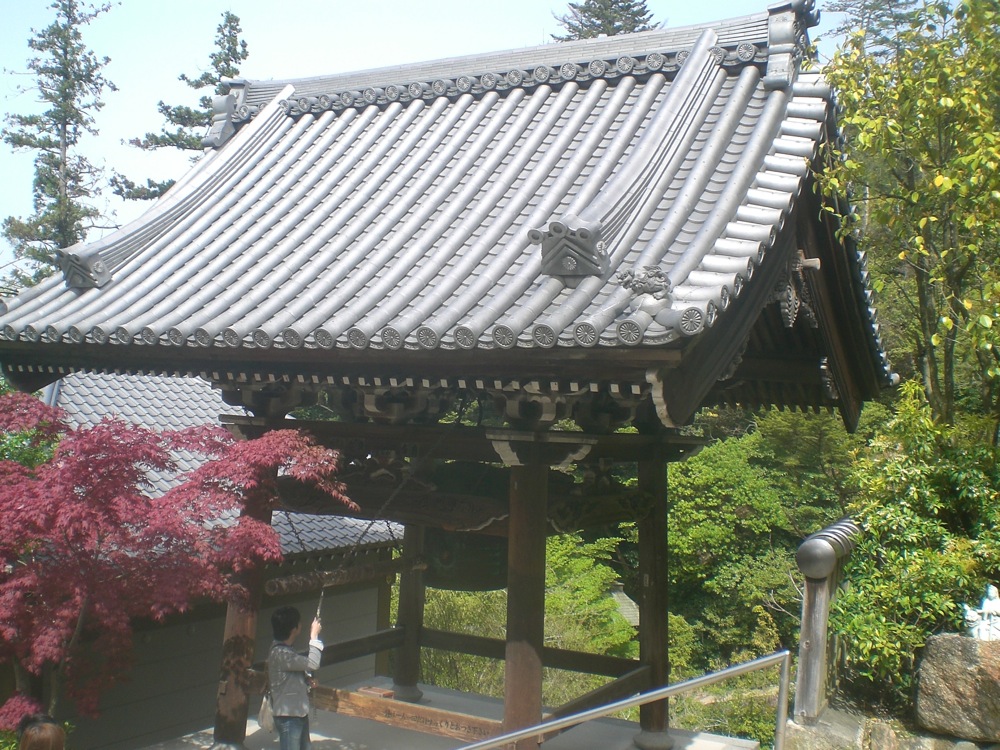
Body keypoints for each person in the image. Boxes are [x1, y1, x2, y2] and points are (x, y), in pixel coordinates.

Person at [268, 606, 323, 750]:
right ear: (294, 629)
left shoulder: (283, 650)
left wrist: (306, 680)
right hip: (289, 717)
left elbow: (288, 675)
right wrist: (314, 636)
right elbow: (313, 663)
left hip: (298, 713)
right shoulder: (281, 653)